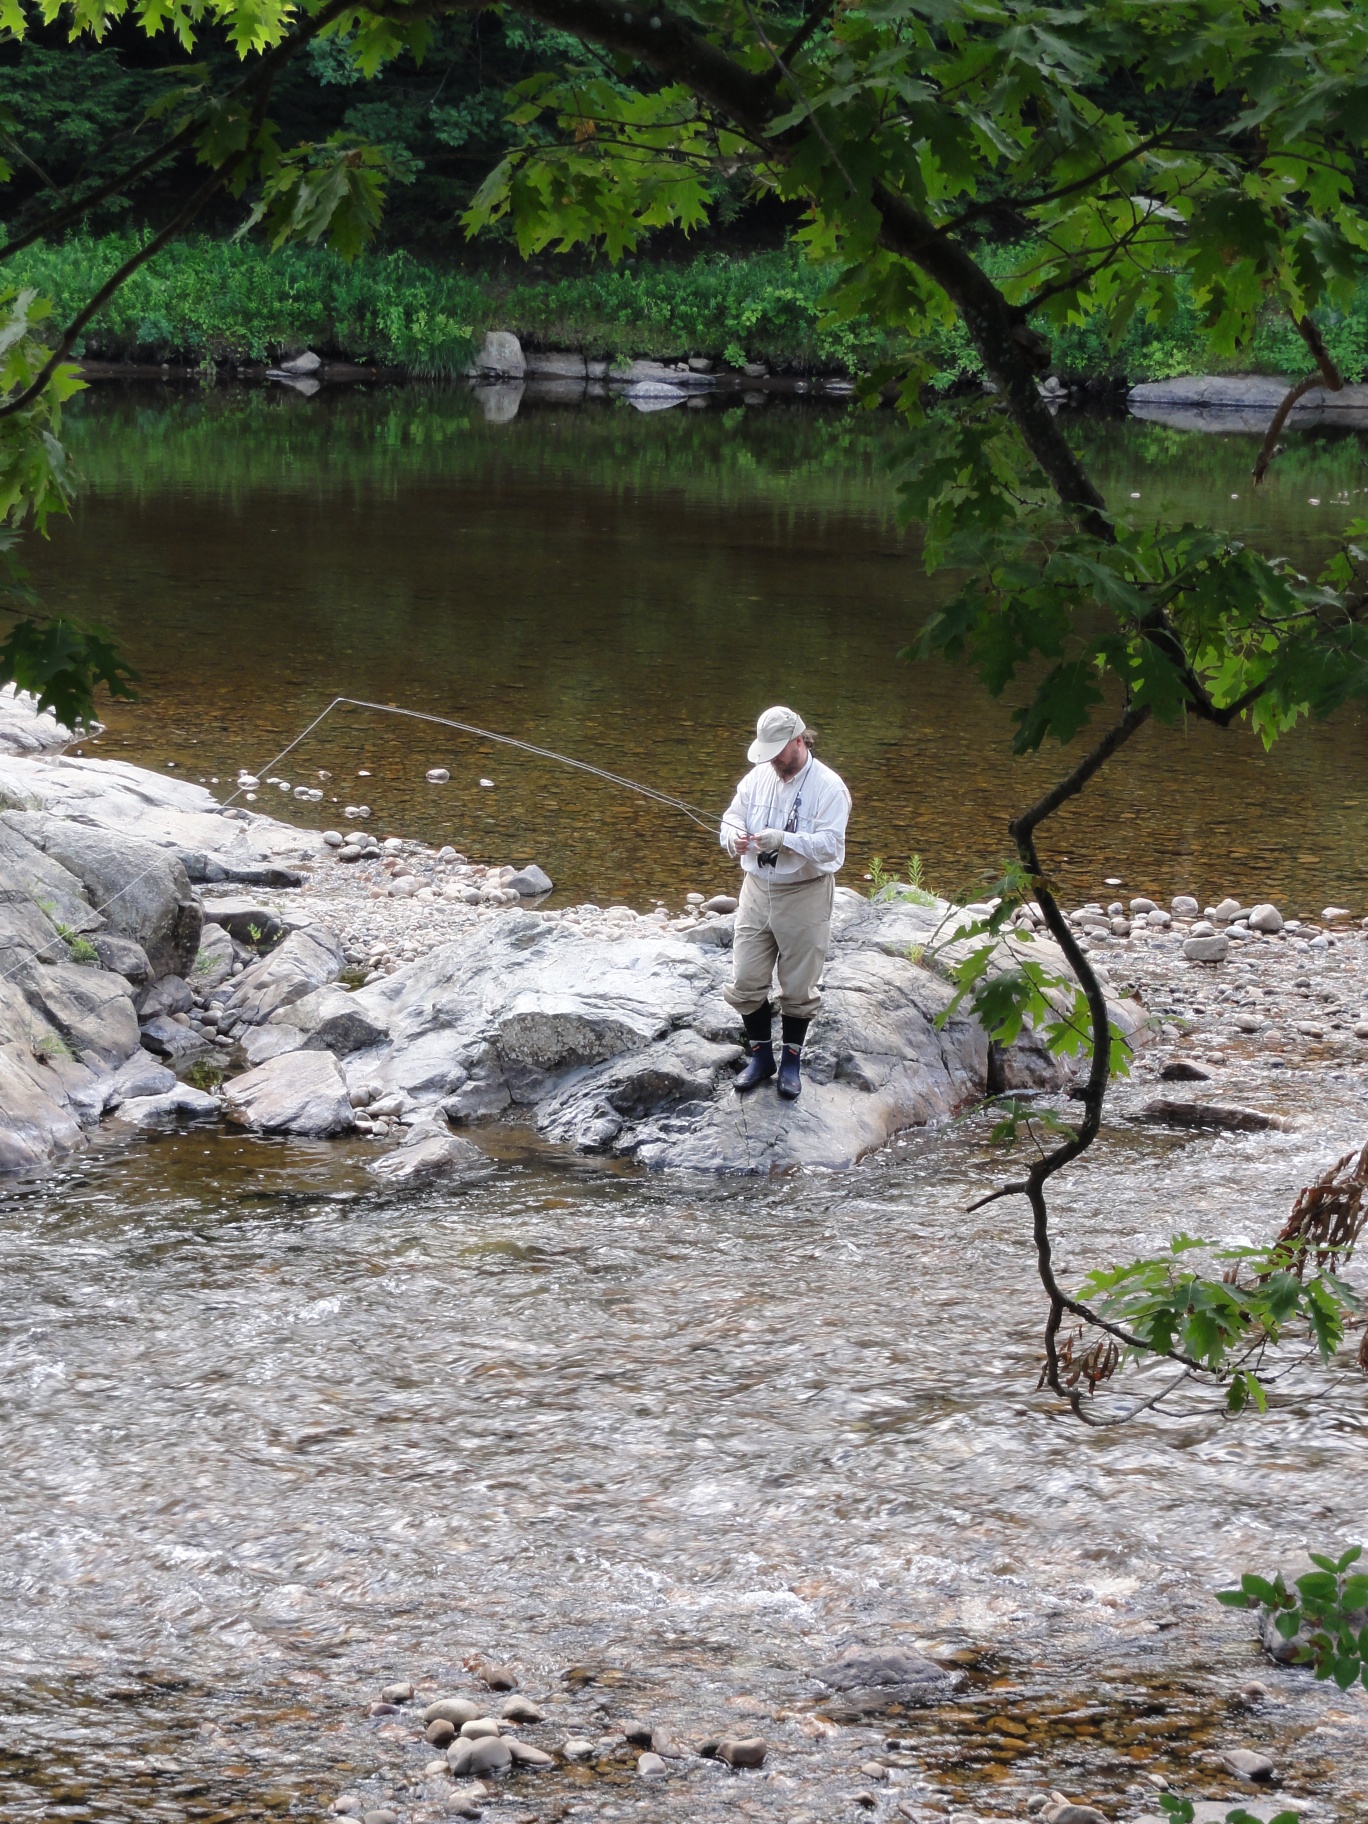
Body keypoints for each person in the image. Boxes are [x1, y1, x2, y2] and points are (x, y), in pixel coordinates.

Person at [718, 705, 852, 1101]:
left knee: (798, 986)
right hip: (757, 889)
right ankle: (761, 1057)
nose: (774, 759)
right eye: (768, 752)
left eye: (779, 750)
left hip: (806, 892)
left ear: (799, 740)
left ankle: (791, 1062)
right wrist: (734, 837)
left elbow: (831, 848)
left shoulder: (830, 788)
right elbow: (730, 817)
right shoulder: (758, 776)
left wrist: (787, 840)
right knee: (744, 980)